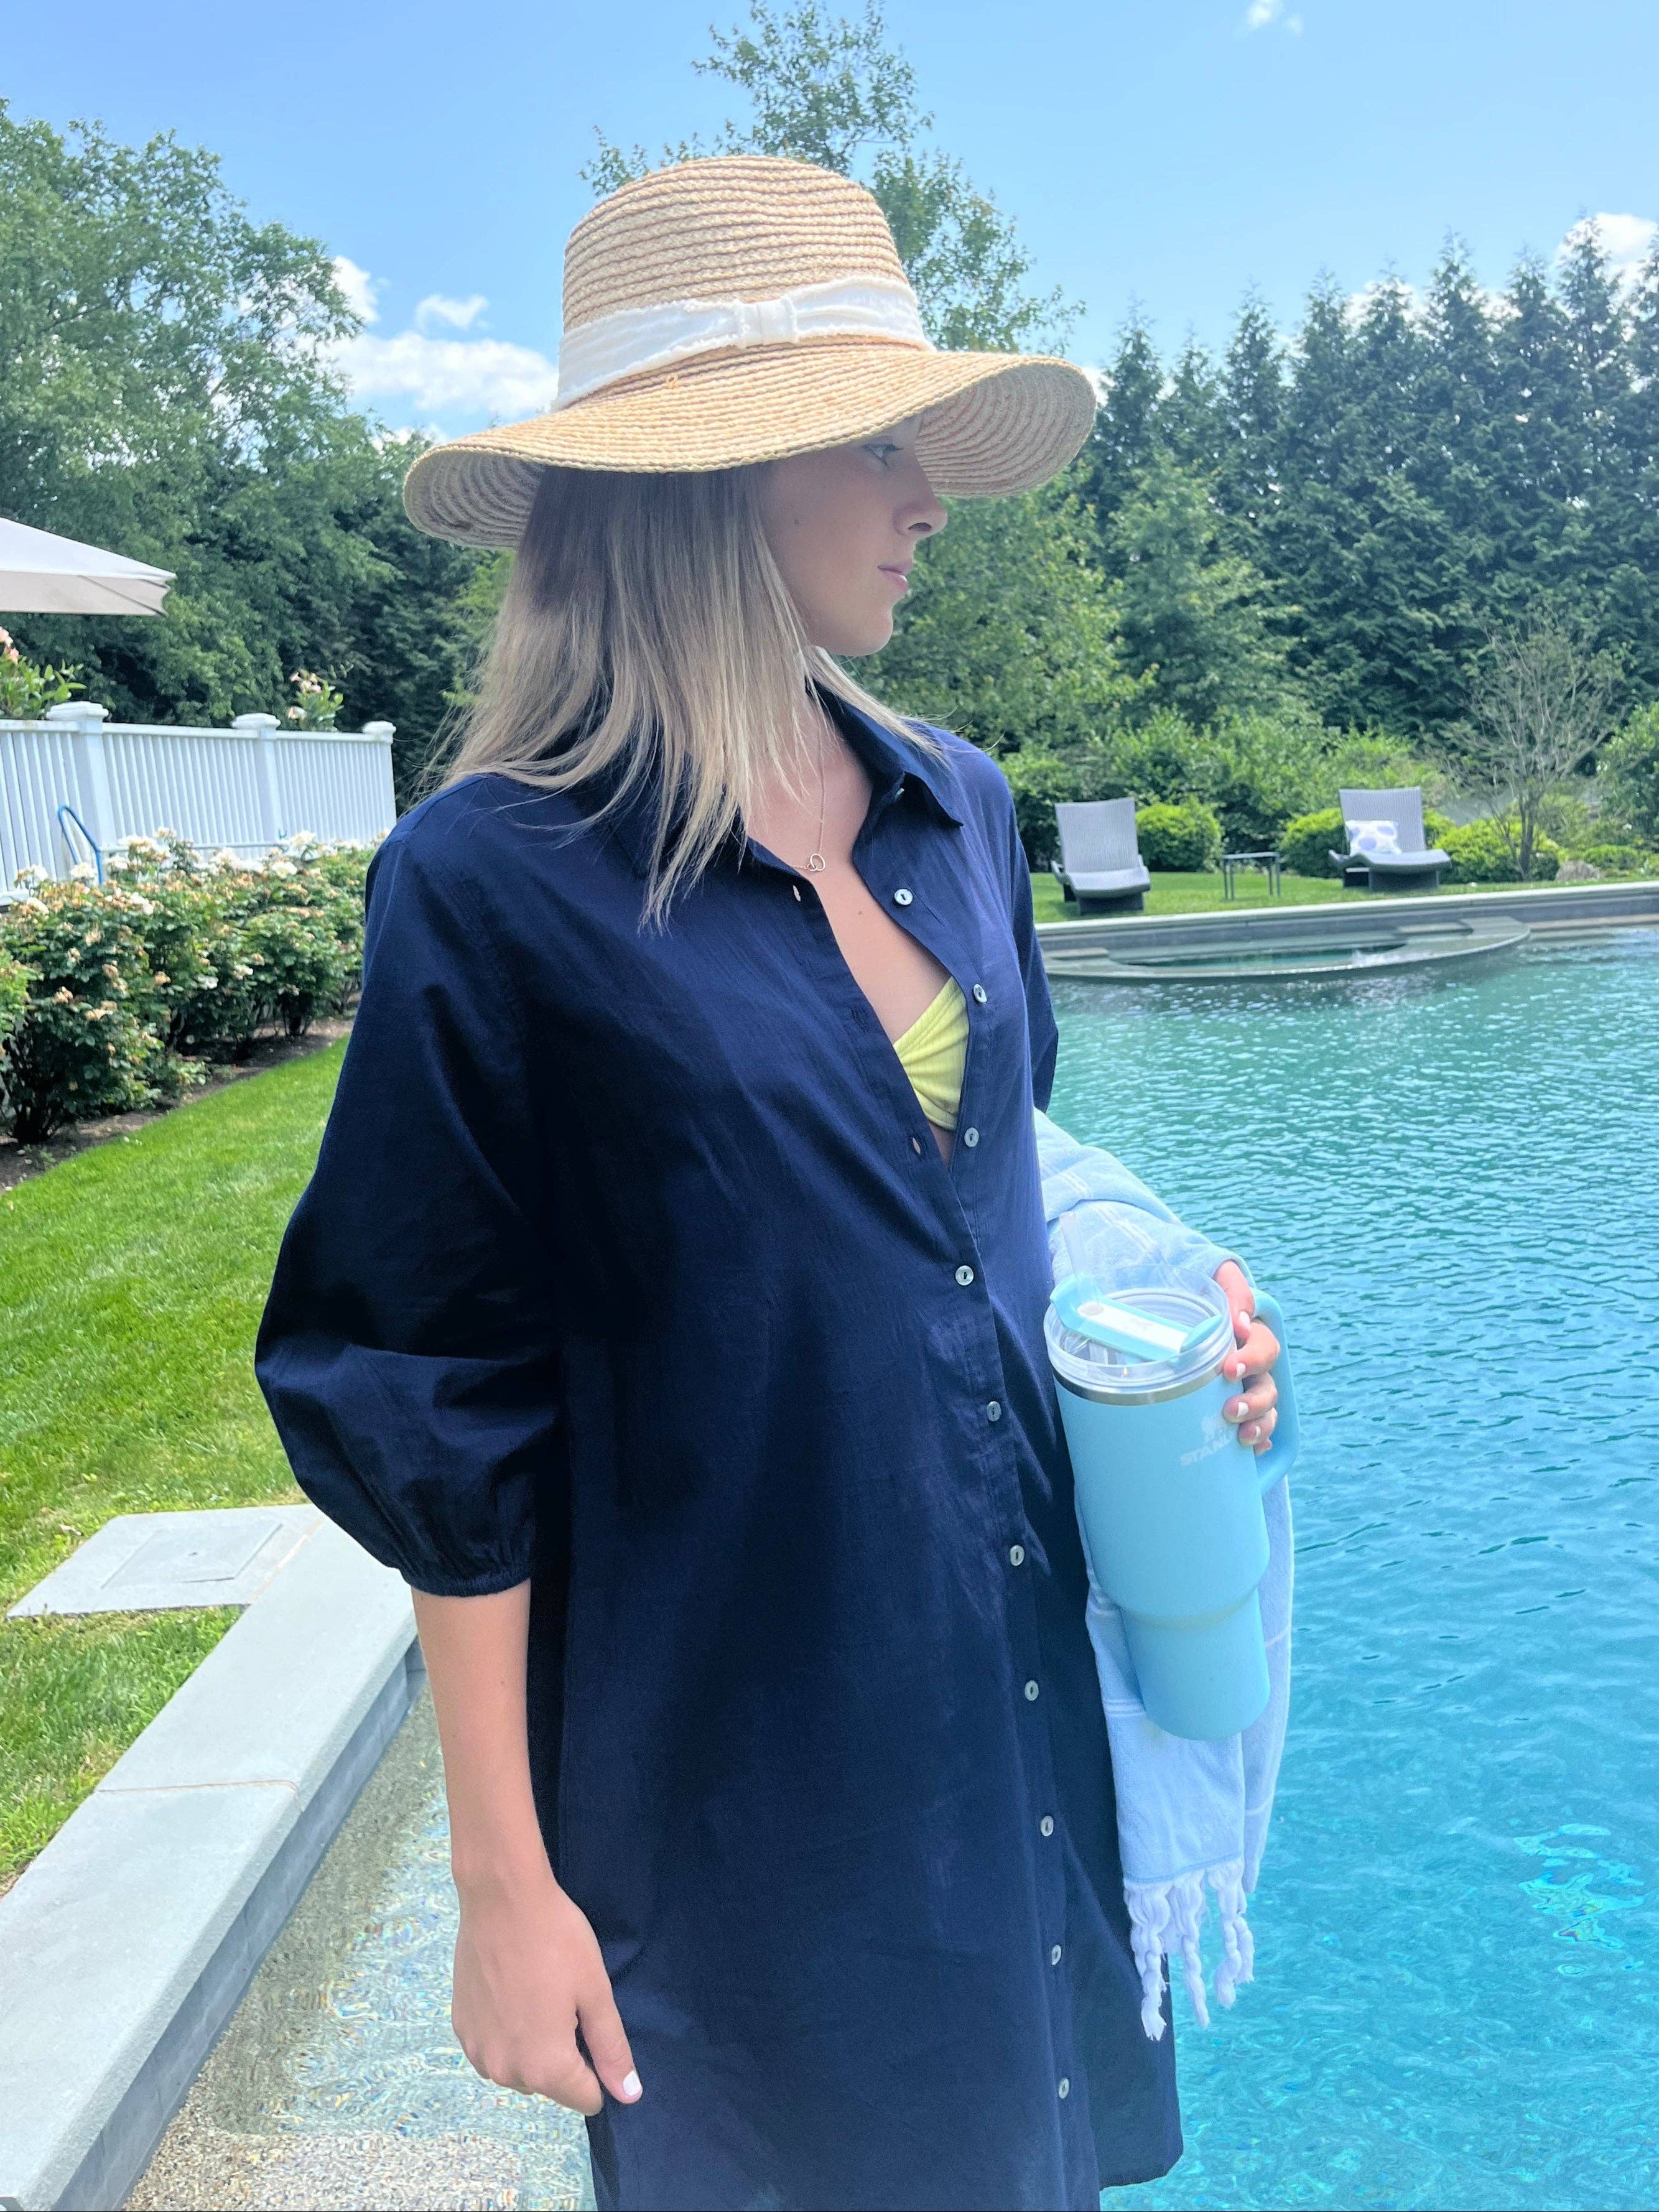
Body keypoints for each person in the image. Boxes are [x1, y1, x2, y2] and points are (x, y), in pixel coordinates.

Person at [256, 154, 1281, 2212]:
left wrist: (1182, 1331)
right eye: (881, 444)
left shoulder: (954, 804)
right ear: (723, 479)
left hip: (1012, 1715)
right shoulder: (491, 880)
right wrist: (500, 1880)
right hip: (743, 1785)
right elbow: (432, 1396)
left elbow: (991, 1194)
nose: (931, 498)